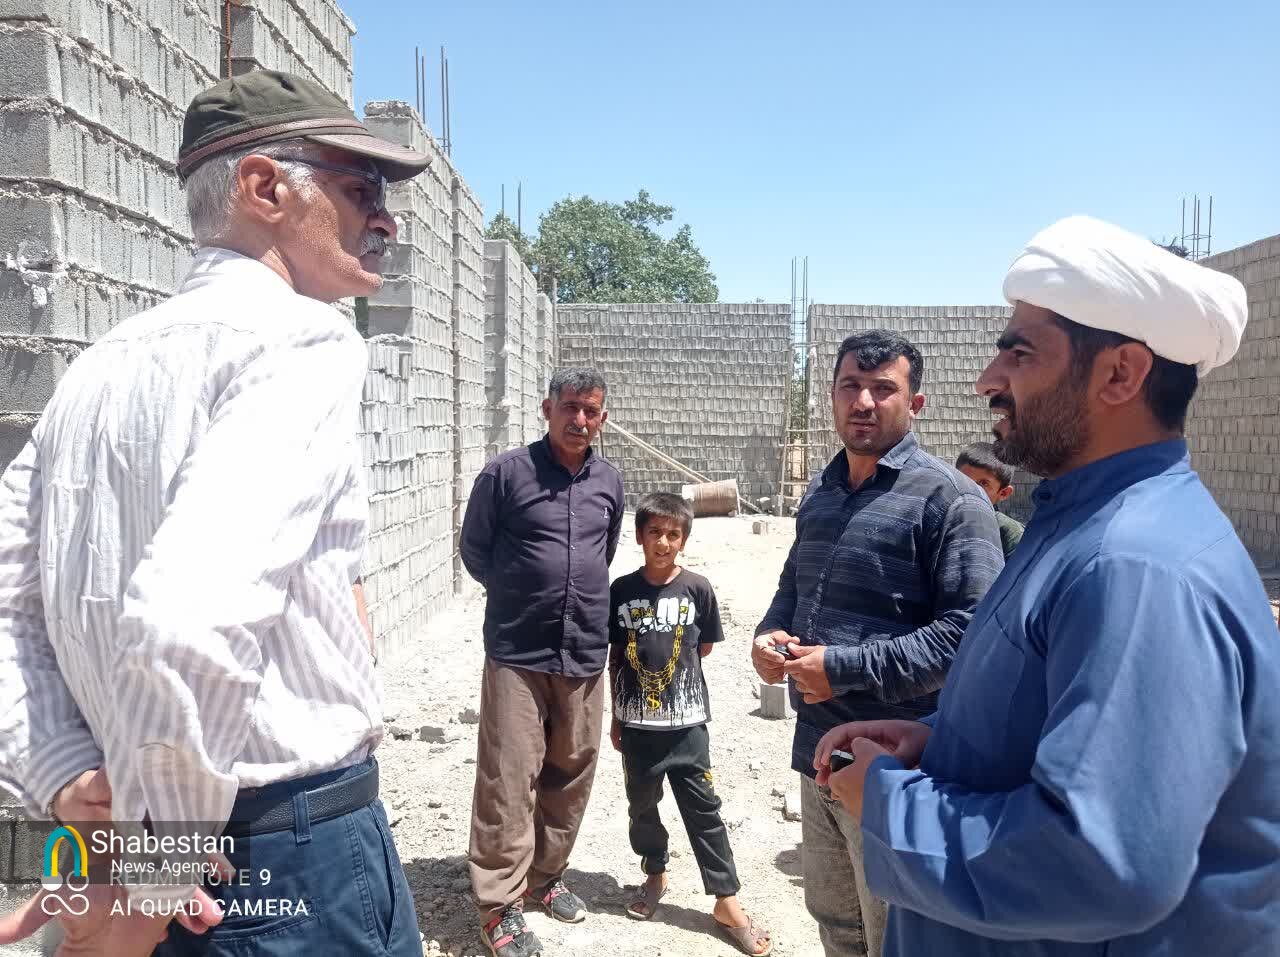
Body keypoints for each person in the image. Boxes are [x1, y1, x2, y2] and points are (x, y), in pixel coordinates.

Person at [0, 69, 432, 955]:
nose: (385, 220)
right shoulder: (303, 340)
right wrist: (148, 889)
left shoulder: (94, 370)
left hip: (153, 845)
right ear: (265, 187)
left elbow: (9, 604)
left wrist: (64, 777)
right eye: (362, 189)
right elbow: (185, 622)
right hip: (275, 858)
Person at [815, 216, 1280, 957]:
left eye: (1020, 352)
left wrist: (887, 802)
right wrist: (939, 745)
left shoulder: (1135, 567)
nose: (987, 379)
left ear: (1120, 374)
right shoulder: (1080, 524)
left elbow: (1103, 861)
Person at [751, 330, 1004, 957]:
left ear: (915, 404)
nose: (863, 402)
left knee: (899, 936)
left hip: (897, 770)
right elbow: (794, 583)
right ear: (832, 397)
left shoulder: (951, 501)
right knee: (837, 927)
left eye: (882, 389)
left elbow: (971, 637)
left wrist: (842, 668)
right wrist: (769, 634)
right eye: (850, 386)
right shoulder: (823, 489)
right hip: (817, 754)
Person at [460, 367, 625, 957]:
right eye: (571, 407)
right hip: (518, 651)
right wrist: (521, 593)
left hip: (584, 648)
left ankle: (545, 877)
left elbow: (605, 551)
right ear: (548, 408)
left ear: (602, 418)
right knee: (509, 778)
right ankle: (498, 905)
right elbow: (475, 551)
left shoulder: (609, 481)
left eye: (591, 411)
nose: (580, 420)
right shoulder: (506, 474)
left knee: (571, 771)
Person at [609, 493, 771, 956]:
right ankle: (655, 872)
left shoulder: (697, 588)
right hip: (638, 726)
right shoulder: (621, 590)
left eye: (673, 534)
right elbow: (616, 653)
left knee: (704, 809)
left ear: (684, 540)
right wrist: (617, 716)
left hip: (687, 726)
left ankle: (726, 899)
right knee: (642, 805)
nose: (663, 542)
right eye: (654, 533)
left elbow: (704, 647)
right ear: (639, 536)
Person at [955, 441, 1024, 557]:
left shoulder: (1010, 534)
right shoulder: (939, 522)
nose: (969, 488)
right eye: (963, 479)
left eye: (983, 483)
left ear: (1003, 493)